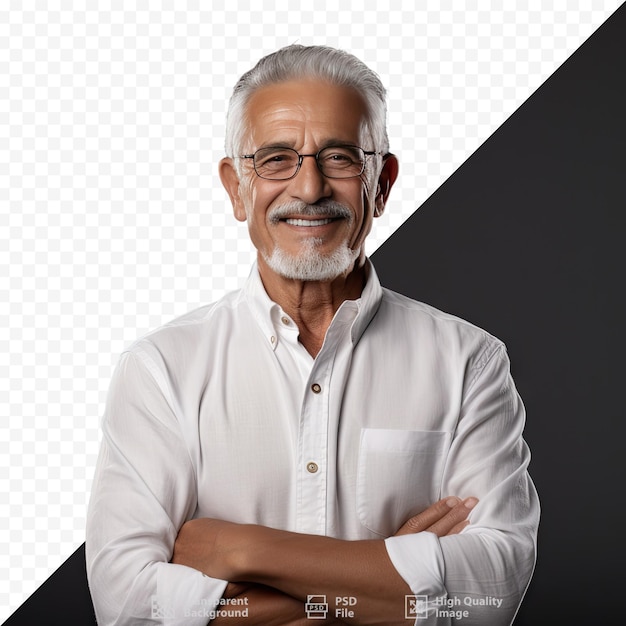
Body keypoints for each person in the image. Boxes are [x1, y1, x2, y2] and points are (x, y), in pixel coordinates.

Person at [86, 44, 539, 625]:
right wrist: (383, 577)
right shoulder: (159, 370)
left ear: (382, 182)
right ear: (235, 187)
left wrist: (243, 552)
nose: (308, 188)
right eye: (276, 159)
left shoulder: (470, 362)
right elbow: (127, 606)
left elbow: (490, 591)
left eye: (341, 158)